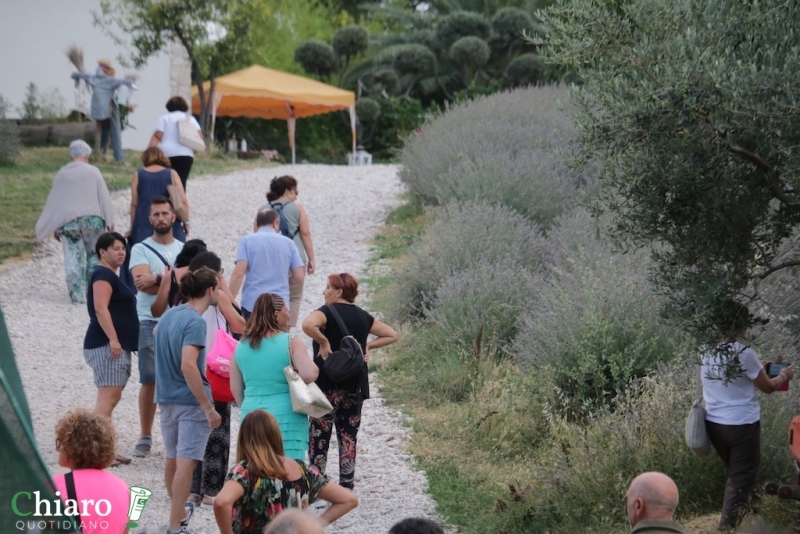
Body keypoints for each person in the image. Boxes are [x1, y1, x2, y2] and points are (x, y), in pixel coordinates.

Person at [702, 301, 794, 530]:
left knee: (737, 472)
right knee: (741, 477)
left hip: (714, 424)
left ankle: (750, 514)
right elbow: (769, 387)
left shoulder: (705, 349)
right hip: (741, 425)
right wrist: (784, 375)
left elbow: (734, 380)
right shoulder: (744, 353)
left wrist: (757, 368)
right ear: (742, 326)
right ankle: (727, 527)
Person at [302, 273, 398, 490]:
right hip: (354, 387)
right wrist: (368, 346)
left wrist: (324, 342)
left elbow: (307, 325)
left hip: (326, 387)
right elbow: (392, 335)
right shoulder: (363, 316)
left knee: (319, 436)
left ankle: (317, 487)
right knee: (349, 436)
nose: (324, 291)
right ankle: (346, 486)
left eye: (328, 287)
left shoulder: (326, 312)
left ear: (338, 291)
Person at [154, 266, 223, 534]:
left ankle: (179, 512)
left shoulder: (168, 316)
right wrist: (208, 407)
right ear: (210, 290)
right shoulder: (196, 321)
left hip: (166, 398)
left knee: (172, 459)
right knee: (186, 463)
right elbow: (189, 366)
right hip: (190, 402)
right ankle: (175, 525)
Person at [213, 410, 358, 534]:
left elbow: (221, 502)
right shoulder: (302, 469)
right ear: (275, 435)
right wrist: (313, 525)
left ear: (244, 439)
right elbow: (348, 500)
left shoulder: (245, 471)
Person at [128, 197, 185, 459]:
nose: (161, 218)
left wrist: (159, 278)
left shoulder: (184, 249)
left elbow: (189, 285)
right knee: (149, 379)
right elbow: (141, 284)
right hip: (148, 320)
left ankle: (177, 434)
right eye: (156, 214)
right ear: (149, 219)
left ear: (174, 217)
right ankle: (145, 434)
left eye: (165, 213)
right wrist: (172, 279)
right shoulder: (140, 249)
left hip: (177, 321)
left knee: (180, 376)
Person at [230, 293, 317, 460]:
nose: (289, 314)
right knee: (289, 471)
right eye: (286, 310)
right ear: (276, 313)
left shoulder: (241, 346)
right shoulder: (291, 342)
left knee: (255, 470)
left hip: (251, 414)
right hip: (286, 416)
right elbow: (309, 374)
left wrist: (249, 404)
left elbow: (235, 388)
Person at [35, 140, 115, 303]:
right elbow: (103, 196)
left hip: (69, 222)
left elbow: (56, 201)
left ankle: (77, 294)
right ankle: (94, 293)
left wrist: (56, 227)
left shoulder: (62, 174)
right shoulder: (94, 171)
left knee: (72, 256)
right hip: (93, 221)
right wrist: (110, 220)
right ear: (87, 154)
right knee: (94, 255)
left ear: (71, 155)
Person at [83, 232, 139, 466]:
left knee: (109, 399)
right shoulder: (103, 275)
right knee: (108, 399)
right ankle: (93, 450)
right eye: (115, 248)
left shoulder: (111, 275)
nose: (121, 252)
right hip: (107, 345)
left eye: (123, 248)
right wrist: (114, 340)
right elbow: (100, 308)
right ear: (102, 252)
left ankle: (104, 449)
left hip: (111, 344)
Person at [52, 409, 131, 534]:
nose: (58, 449)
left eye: (60, 443)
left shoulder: (55, 486)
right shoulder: (123, 488)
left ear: (70, 448)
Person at [229, 208, 305, 320]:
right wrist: (282, 282)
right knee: (276, 337)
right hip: (279, 304)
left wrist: (229, 301)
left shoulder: (246, 241)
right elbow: (299, 276)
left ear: (257, 223)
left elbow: (238, 273)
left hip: (252, 303)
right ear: (276, 223)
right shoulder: (289, 244)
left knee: (253, 336)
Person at [264, 175, 317, 327]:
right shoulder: (298, 209)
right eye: (295, 192)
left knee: (270, 295)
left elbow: (257, 235)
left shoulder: (263, 209)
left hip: (270, 260)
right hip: (295, 259)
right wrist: (311, 258)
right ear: (287, 191)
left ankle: (269, 326)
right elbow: (305, 233)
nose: (296, 196)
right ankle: (285, 329)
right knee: (293, 296)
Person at [71, 59, 134, 164]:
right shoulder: (96, 78)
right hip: (103, 110)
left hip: (104, 109)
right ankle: (115, 157)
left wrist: (78, 76)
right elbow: (127, 83)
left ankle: (107, 154)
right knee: (115, 132)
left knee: (109, 129)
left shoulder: (99, 79)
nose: (99, 69)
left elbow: (125, 83)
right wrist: (80, 74)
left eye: (102, 67)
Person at [129, 146, 189, 245]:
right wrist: (186, 222)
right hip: (169, 222)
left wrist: (132, 226)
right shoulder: (171, 174)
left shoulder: (138, 175)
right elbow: (183, 201)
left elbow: (134, 203)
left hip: (144, 221)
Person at [149, 96, 203, 190]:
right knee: (180, 182)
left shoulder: (164, 118)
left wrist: (150, 153)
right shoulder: (190, 119)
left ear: (169, 106)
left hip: (166, 154)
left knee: (166, 181)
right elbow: (199, 136)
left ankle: (165, 202)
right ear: (184, 106)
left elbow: (158, 136)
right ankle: (180, 203)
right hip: (185, 155)